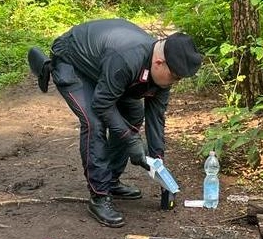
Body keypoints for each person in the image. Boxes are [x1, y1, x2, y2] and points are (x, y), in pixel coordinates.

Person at [28, 19, 203, 227]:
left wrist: (159, 167)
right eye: (175, 77)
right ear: (159, 63)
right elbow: (102, 104)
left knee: (134, 115)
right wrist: (131, 140)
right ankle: (99, 196)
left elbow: (156, 119)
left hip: (105, 70)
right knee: (94, 123)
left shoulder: (160, 73)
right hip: (73, 62)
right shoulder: (127, 59)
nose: (175, 82)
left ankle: (110, 181)